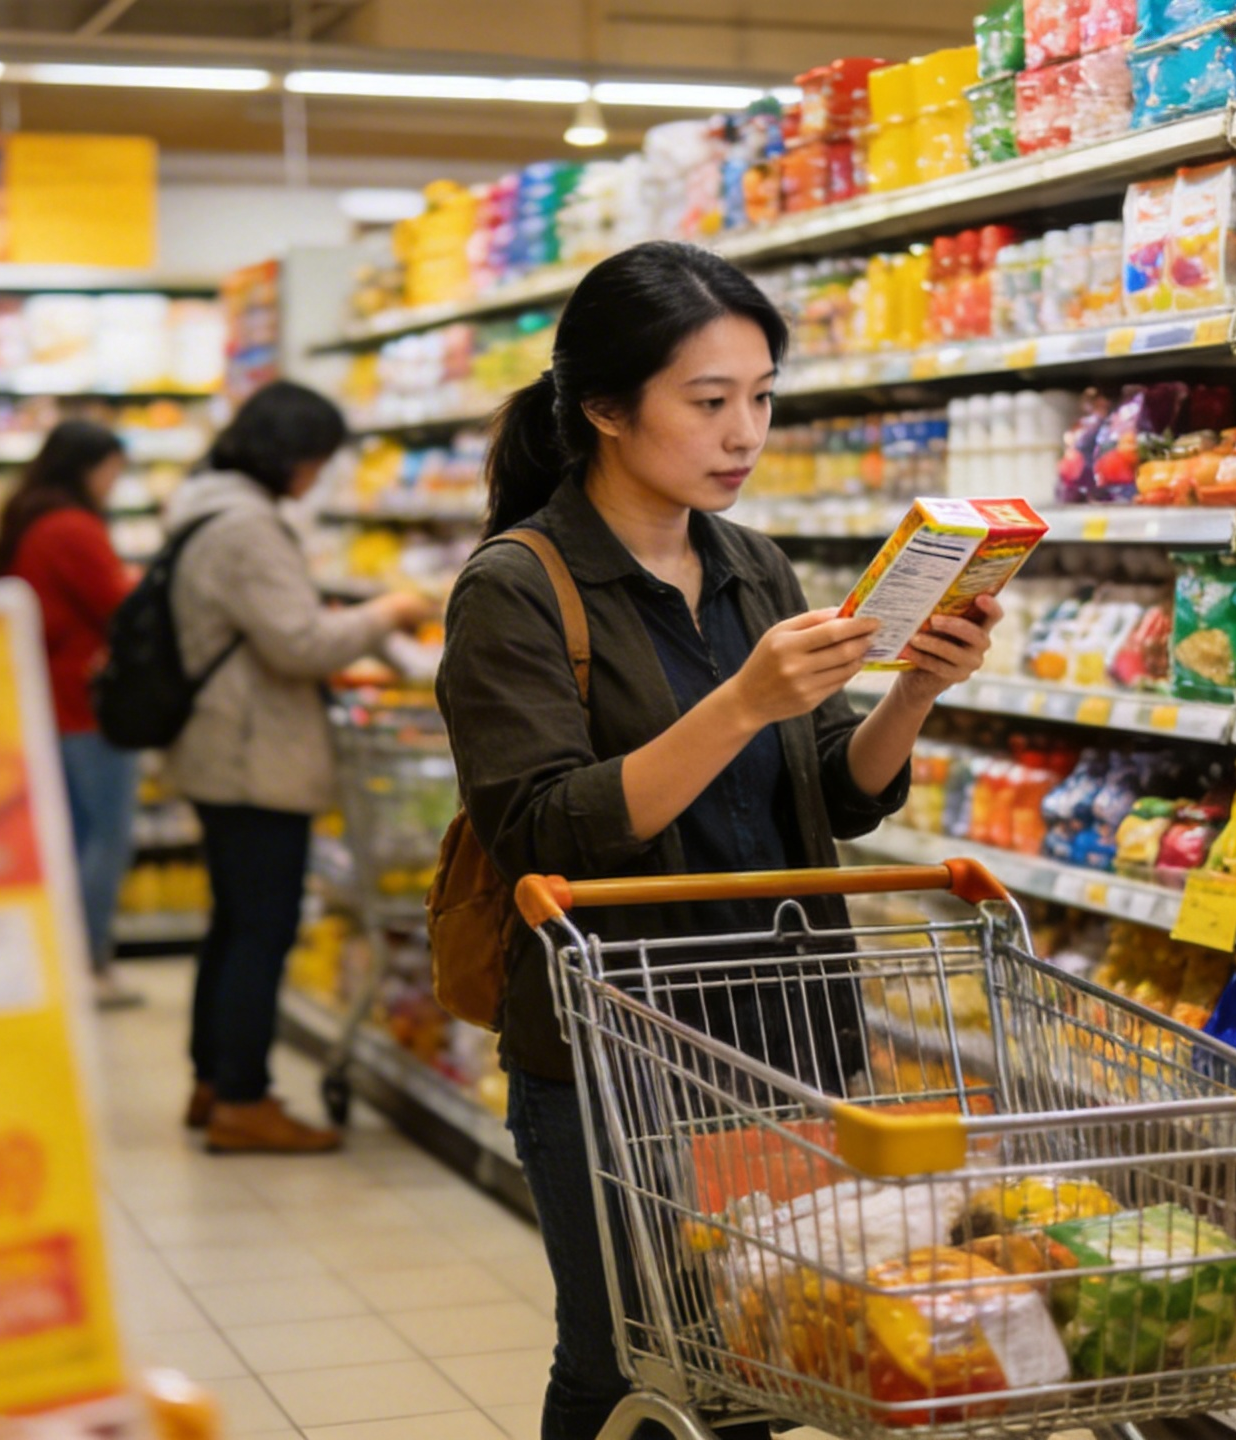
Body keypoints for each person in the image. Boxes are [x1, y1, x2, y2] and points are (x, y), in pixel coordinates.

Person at [435, 240, 1002, 1440]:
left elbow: (836, 794)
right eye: (707, 402)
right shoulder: (518, 587)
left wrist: (914, 692)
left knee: (762, 1353)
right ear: (604, 408)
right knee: (627, 1359)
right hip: (619, 1048)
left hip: (784, 1034)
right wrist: (740, 703)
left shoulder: (750, 564)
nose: (744, 434)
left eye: (761, 398)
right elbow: (542, 830)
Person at [162, 380, 433, 1154]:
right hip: (253, 756)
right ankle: (243, 1100)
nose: (319, 476)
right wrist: (385, 613)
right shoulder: (247, 527)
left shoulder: (204, 506)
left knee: (233, 924)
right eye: (317, 459)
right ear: (288, 455)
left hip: (222, 746)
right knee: (261, 929)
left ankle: (214, 1081)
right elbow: (299, 645)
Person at [0, 419, 147, 1011]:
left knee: (74, 837)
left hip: (49, 700)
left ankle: (62, 963)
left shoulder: (30, 518)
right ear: (89, 467)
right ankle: (86, 964)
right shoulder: (72, 527)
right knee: (105, 838)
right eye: (112, 472)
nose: (114, 485)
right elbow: (120, 606)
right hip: (86, 706)